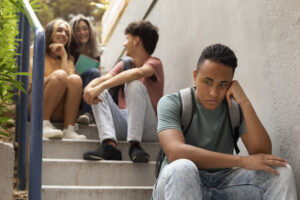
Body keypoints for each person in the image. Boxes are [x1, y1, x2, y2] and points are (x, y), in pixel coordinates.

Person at [152, 44, 297, 199]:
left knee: (281, 171)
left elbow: (261, 153)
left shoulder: (234, 109)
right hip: (177, 183)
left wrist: (244, 101)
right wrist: (241, 161)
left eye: (223, 84)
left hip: (223, 183)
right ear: (195, 76)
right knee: (182, 167)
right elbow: (176, 152)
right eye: (208, 81)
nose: (214, 93)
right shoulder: (173, 103)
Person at [82, 20, 164, 162]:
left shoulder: (154, 63)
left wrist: (100, 86)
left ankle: (135, 145)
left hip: (148, 126)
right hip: (124, 122)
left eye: (127, 39)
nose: (124, 43)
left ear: (136, 40)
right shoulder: (125, 64)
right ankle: (109, 146)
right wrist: (89, 89)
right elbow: (104, 79)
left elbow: (138, 73)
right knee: (98, 91)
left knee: (134, 84)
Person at [29, 19, 86, 140]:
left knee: (75, 79)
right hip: (34, 103)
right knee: (60, 75)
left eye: (67, 33)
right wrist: (55, 79)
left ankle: (68, 130)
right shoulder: (34, 51)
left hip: (58, 109)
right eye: (59, 30)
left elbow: (68, 84)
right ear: (50, 33)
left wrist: (63, 56)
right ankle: (43, 124)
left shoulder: (68, 60)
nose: (64, 34)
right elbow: (32, 83)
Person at [69, 14, 101, 124]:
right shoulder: (69, 49)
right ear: (73, 32)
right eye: (77, 30)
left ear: (90, 30)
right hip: (74, 87)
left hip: (89, 89)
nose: (82, 32)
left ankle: (91, 113)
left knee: (97, 75)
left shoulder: (95, 53)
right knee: (94, 72)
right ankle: (88, 113)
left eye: (85, 28)